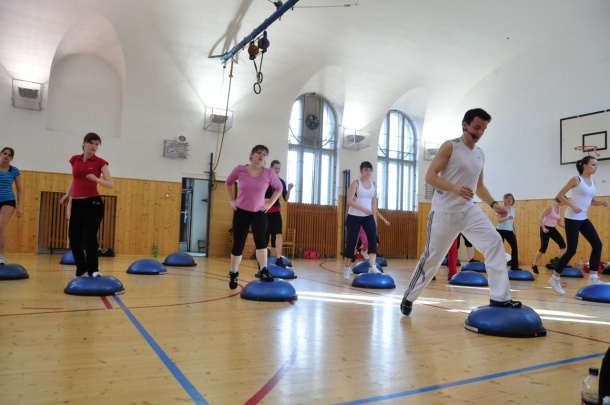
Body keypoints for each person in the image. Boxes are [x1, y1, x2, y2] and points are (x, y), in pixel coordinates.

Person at [400, 108, 522, 316]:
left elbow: (479, 186)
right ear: (465, 124)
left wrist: (493, 204)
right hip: (444, 213)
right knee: (433, 259)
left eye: (483, 129)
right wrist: (453, 188)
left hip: (469, 210)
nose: (479, 132)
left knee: (494, 242)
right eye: (476, 127)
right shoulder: (451, 146)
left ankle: (500, 298)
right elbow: (430, 176)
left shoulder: (480, 153)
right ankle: (409, 296)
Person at [547, 156, 609, 294]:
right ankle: (555, 278)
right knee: (571, 250)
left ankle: (593, 277)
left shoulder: (592, 182)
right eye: (594, 165)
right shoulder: (576, 179)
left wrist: (602, 203)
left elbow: (591, 201)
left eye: (596, 165)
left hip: (583, 218)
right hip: (572, 218)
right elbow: (560, 195)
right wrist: (571, 206)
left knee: (597, 244)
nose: (596, 167)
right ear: (585, 165)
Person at [226, 145, 283, 289]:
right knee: (238, 244)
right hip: (241, 212)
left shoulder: (269, 173)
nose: (261, 155)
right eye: (259, 152)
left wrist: (270, 203)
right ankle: (233, 273)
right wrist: (232, 200)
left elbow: (279, 188)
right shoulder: (240, 169)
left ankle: (263, 269)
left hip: (259, 213)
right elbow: (228, 182)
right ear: (251, 155)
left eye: (264, 154)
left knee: (261, 241)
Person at [60, 133, 114, 277]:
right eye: (91, 143)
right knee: (74, 237)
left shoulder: (100, 162)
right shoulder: (74, 160)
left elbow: (110, 184)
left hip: (93, 203)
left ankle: (93, 270)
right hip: (77, 202)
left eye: (97, 144)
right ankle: (81, 267)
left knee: (89, 237)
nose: (94, 147)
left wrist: (97, 179)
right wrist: (67, 194)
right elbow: (74, 179)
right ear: (84, 143)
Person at [342, 161, 389, 279]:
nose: (368, 172)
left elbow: (374, 201)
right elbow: (349, 201)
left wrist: (374, 218)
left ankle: (372, 266)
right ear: (361, 171)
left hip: (368, 217)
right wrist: (363, 209)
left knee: (373, 240)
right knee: (352, 242)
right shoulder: (356, 183)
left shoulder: (373, 184)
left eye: (370, 170)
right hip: (354, 217)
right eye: (365, 170)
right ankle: (347, 268)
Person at [265, 160, 294, 267]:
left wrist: (290, 189)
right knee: (265, 236)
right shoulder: (265, 180)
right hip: (265, 212)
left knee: (278, 234)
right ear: (271, 168)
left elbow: (285, 198)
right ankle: (263, 261)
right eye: (275, 168)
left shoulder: (281, 182)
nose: (277, 170)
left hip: (276, 212)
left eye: (279, 169)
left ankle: (277, 258)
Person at [0, 147, 24, 265]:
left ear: (11, 158)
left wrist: (20, 207)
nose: (6, 156)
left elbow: (20, 190)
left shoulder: (14, 170)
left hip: (7, 200)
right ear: (0, 154)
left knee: (1, 226)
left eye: (9, 155)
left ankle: (1, 256)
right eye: (4, 153)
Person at [531, 197, 566, 274]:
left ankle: (559, 264)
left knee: (563, 245)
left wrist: (568, 227)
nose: (565, 203)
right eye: (565, 201)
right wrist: (543, 228)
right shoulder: (550, 207)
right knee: (543, 249)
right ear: (560, 200)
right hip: (545, 228)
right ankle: (534, 264)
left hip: (553, 229)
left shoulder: (560, 209)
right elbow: (541, 217)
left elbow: (559, 223)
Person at [496, 193, 520, 270]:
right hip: (500, 231)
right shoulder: (501, 209)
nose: (509, 200)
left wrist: (515, 232)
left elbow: (513, 221)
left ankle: (514, 267)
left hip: (509, 231)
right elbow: (499, 221)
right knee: (499, 248)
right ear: (504, 200)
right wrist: (506, 218)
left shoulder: (513, 210)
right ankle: (497, 266)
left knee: (515, 247)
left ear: (513, 200)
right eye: (507, 198)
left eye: (511, 198)